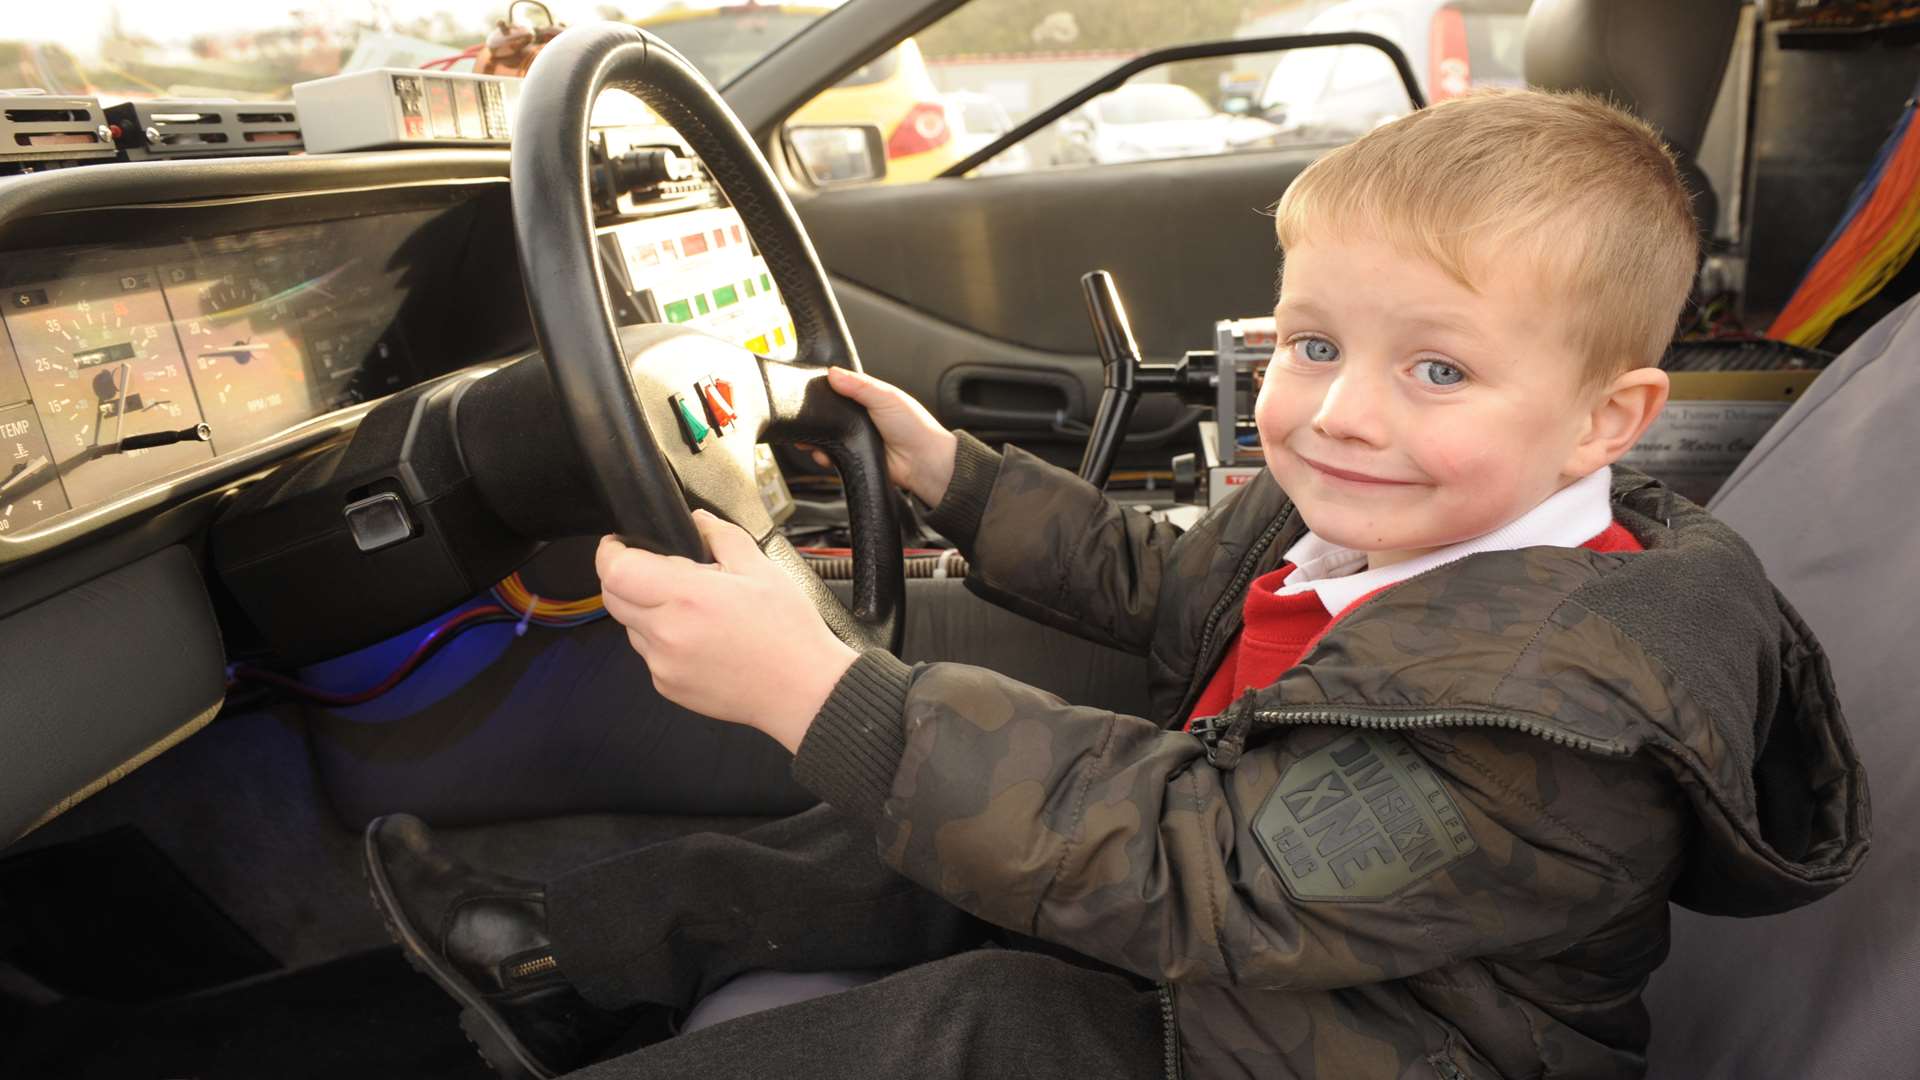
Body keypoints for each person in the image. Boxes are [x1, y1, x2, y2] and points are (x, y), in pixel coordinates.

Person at [363, 89, 1869, 1080]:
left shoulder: (1554, 731)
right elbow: (1167, 585)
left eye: (1437, 368)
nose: (1340, 411)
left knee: (990, 1019)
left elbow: (1198, 871)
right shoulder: (1373, 519)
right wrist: (953, 473)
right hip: (1274, 976)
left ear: (1609, 421)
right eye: (1312, 344)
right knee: (887, 851)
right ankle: (554, 958)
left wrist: (823, 691)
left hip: (1357, 1046)